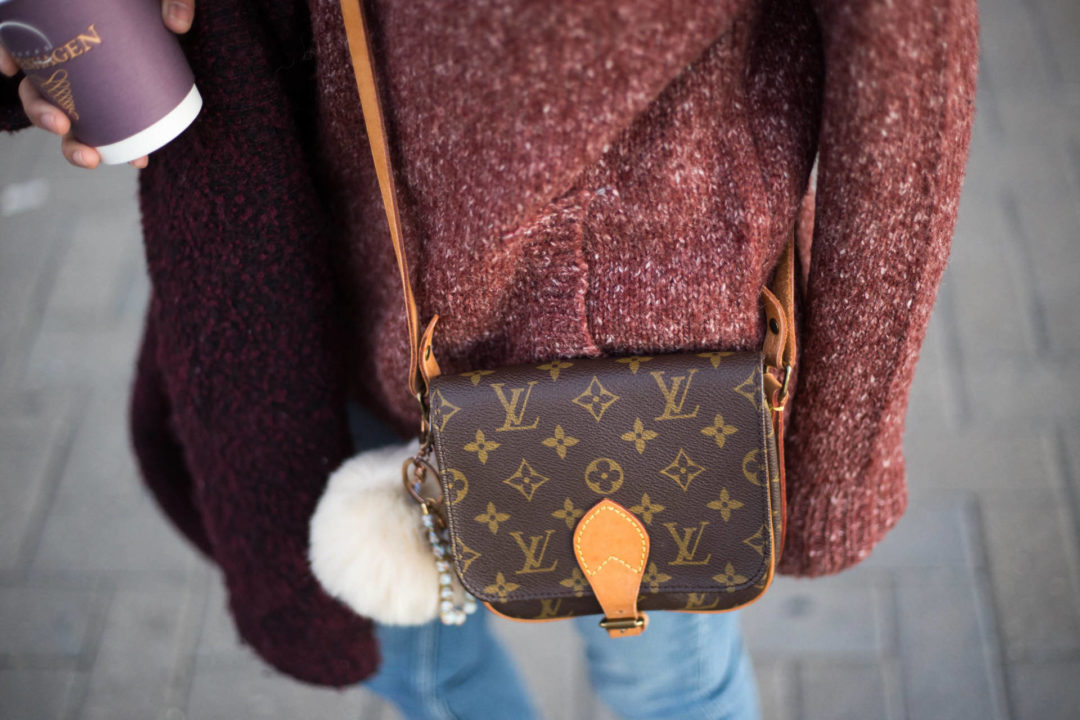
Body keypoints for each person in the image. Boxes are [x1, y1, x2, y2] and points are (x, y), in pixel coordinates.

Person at [0, 0, 978, 717]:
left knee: (666, 683)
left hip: (646, 379)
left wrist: (837, 455)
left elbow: (910, 70)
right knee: (412, 656)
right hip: (311, 279)